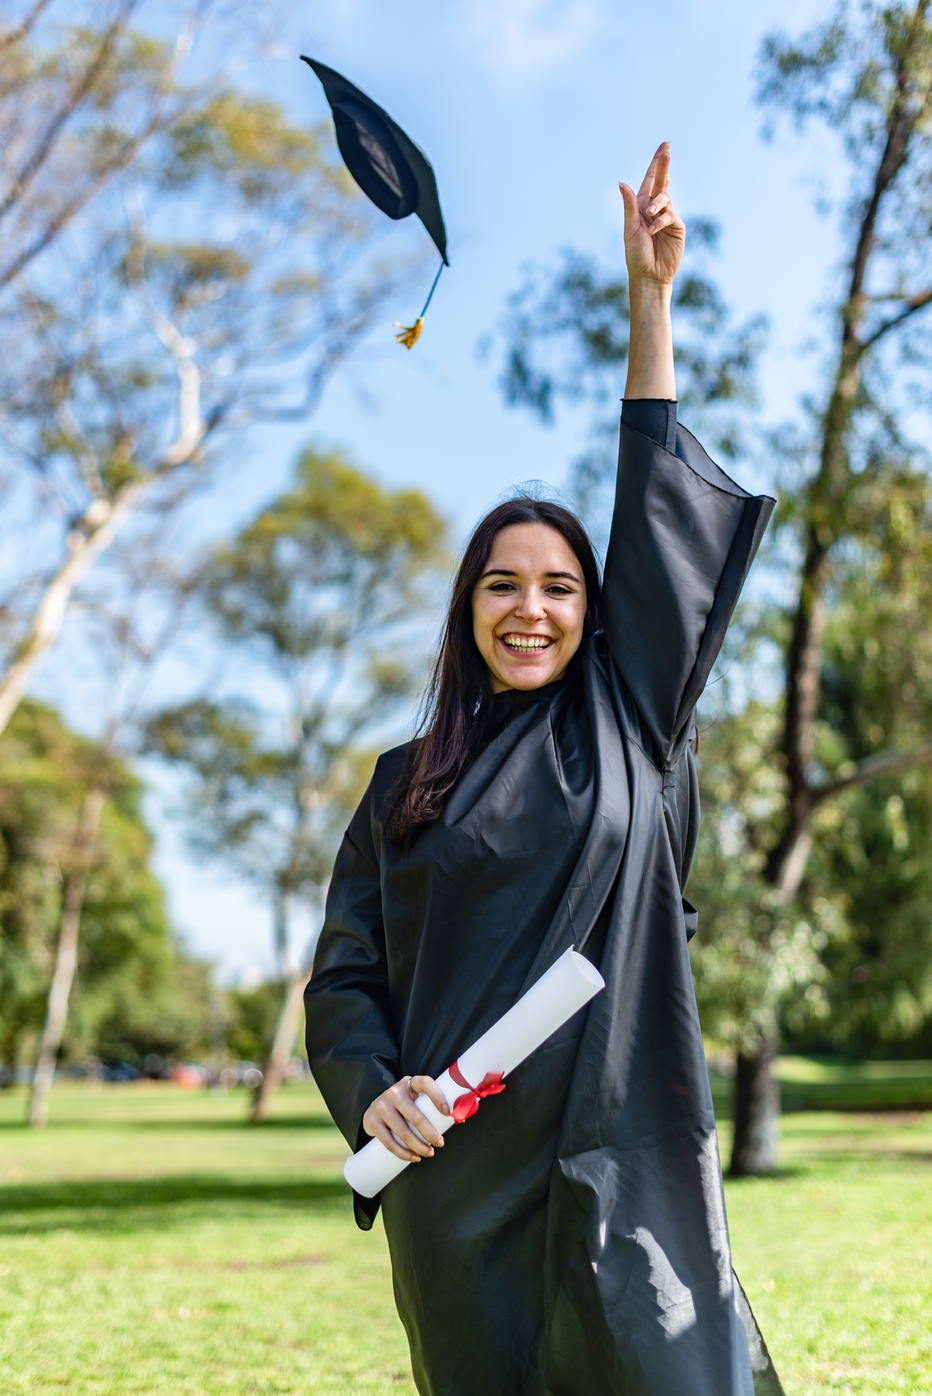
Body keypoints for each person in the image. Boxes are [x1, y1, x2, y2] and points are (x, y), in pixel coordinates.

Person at [305, 145, 783, 1396]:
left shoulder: (630, 722)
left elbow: (655, 513)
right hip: (456, 1172)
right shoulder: (401, 781)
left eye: (559, 586)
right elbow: (343, 976)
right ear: (466, 608)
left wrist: (649, 307)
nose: (530, 609)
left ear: (596, 611)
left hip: (627, 1148)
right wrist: (373, 1097)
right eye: (501, 584)